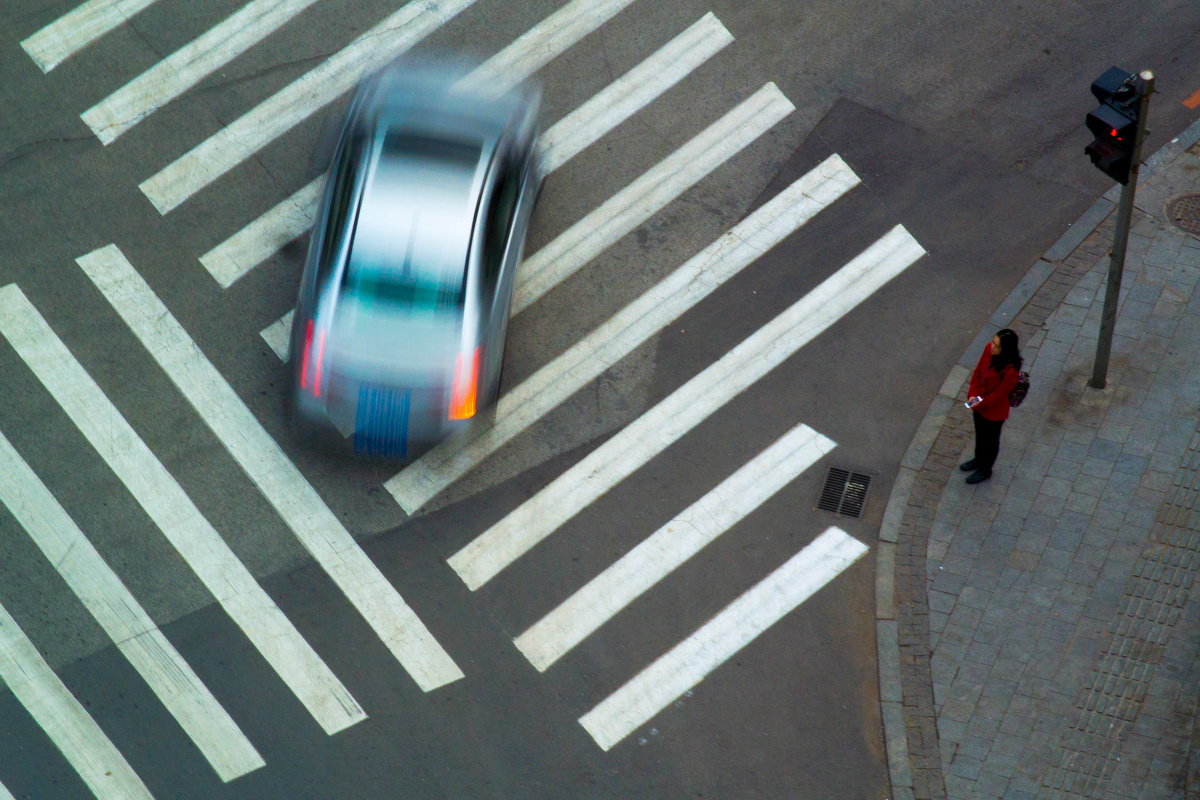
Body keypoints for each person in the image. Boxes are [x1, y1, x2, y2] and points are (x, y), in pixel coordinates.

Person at [960, 328, 1022, 484]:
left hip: (994, 412)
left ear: (1005, 350)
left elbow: (999, 395)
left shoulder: (1011, 371)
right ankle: (978, 459)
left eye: (997, 346)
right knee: (980, 435)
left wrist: (980, 403)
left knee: (991, 441)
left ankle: (985, 469)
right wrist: (972, 396)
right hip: (979, 403)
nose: (992, 346)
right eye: (993, 342)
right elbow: (978, 374)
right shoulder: (988, 349)